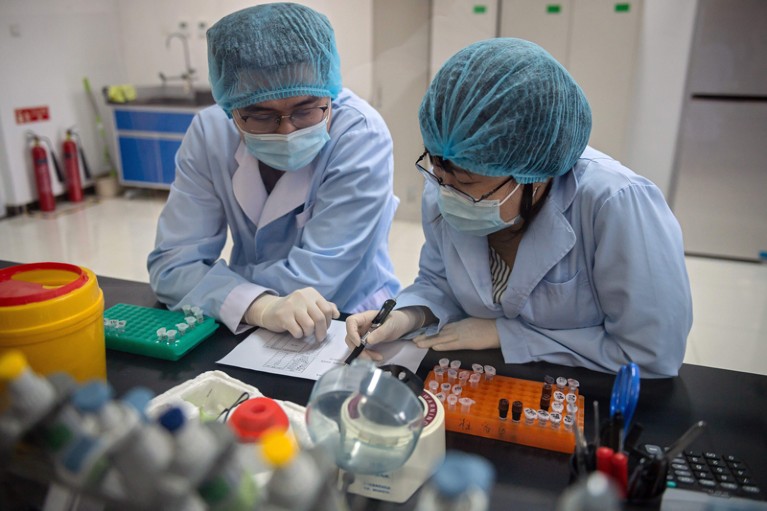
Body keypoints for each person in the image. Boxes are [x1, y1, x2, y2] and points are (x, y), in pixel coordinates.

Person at [346, 38, 692, 378]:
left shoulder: (615, 204)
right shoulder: (447, 180)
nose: (446, 192)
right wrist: (409, 316)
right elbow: (439, 282)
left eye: (467, 184)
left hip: (586, 392)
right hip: (485, 379)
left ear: (532, 176)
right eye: (438, 172)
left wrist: (506, 334)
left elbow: (651, 352)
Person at [148, 3, 400, 341]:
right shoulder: (210, 133)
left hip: (350, 314)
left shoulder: (360, 134)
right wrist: (259, 307)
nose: (286, 132)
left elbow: (319, 274)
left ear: (329, 90)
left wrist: (223, 290)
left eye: (306, 109)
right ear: (230, 106)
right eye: (260, 115)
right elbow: (172, 266)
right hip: (248, 321)